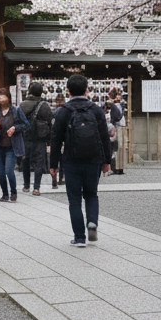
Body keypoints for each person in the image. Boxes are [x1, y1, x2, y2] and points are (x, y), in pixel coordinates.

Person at [49, 75, 113, 247]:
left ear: (68, 91)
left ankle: (79, 237)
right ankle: (92, 222)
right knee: (91, 194)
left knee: (74, 199)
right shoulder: (96, 110)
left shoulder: (63, 111)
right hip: (93, 160)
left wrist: (53, 164)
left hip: (71, 160)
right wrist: (107, 161)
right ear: (87, 90)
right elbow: (104, 137)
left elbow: (55, 140)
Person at [0, 92, 30, 202]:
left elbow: (26, 125)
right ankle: (5, 194)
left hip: (12, 146)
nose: (0, 98)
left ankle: (13, 192)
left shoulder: (16, 111)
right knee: (1, 173)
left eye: (3, 96)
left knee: (9, 171)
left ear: (8, 98)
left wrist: (15, 128)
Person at [19, 83, 54, 196]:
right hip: (40, 137)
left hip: (25, 137)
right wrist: (49, 140)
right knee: (39, 162)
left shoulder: (22, 105)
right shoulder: (44, 105)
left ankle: (26, 185)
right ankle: (37, 188)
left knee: (25, 161)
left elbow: (18, 120)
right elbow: (50, 122)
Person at [104, 89, 126, 175]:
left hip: (114, 126)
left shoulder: (112, 105)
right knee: (119, 147)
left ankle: (116, 167)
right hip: (119, 125)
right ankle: (119, 167)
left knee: (115, 147)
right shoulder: (118, 104)